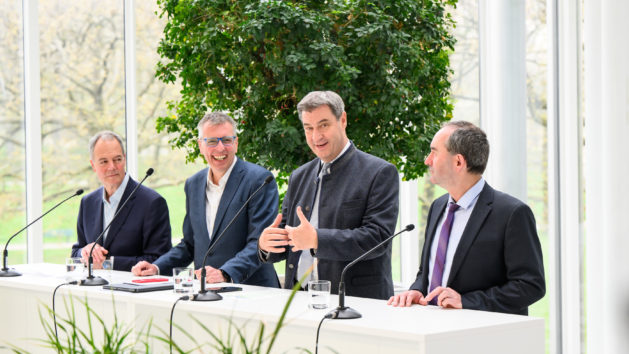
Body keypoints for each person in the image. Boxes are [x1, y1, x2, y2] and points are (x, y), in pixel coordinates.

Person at [387, 121, 545, 315]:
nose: (428, 160)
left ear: (458, 162)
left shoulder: (512, 213)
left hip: (482, 337)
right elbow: (426, 272)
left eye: (434, 152)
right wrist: (416, 290)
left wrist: (467, 301)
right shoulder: (437, 206)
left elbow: (530, 285)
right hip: (433, 330)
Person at [258, 91, 399, 300]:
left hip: (355, 303)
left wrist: (316, 239)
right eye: (309, 128)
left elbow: (377, 239)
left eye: (324, 125)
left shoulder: (380, 172)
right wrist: (267, 244)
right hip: (297, 300)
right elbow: (291, 238)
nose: (316, 136)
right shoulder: (299, 175)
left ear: (343, 120)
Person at [132, 112, 279, 287]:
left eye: (226, 140)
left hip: (253, 290)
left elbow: (259, 242)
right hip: (206, 291)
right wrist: (156, 267)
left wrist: (225, 273)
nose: (220, 148)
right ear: (200, 145)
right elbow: (190, 244)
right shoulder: (193, 184)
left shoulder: (260, 180)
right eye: (211, 141)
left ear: (236, 143)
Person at [71, 131, 172, 271]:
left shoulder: (152, 202)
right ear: (93, 165)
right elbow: (75, 252)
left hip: (133, 290)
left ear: (124, 159)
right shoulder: (87, 202)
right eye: (104, 161)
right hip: (92, 290)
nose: (112, 167)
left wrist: (108, 263)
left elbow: (159, 260)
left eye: (117, 159)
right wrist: (84, 252)